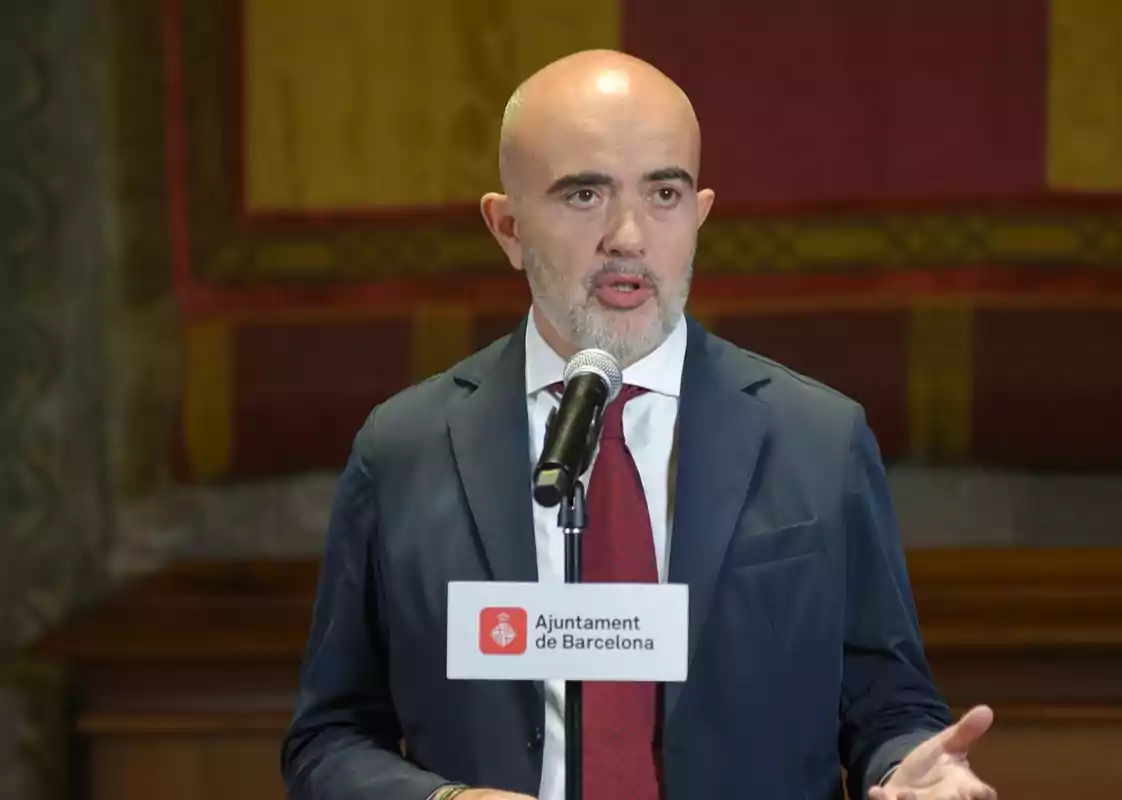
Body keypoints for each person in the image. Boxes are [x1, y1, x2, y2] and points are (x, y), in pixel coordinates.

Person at [281, 49, 998, 800]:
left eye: (663, 193)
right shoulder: (404, 450)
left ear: (700, 214)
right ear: (507, 227)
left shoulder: (818, 439)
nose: (628, 235)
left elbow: (889, 707)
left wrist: (914, 770)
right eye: (585, 194)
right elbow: (329, 740)